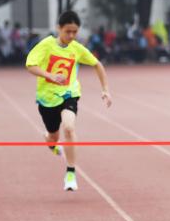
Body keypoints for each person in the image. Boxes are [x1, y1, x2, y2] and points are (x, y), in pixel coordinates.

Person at [25, 10, 112, 191]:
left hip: (69, 94)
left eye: (75, 32)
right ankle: (50, 142)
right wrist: (50, 75)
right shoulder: (47, 45)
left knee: (69, 128)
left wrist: (105, 90)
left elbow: (97, 65)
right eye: (68, 31)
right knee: (53, 137)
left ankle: (70, 173)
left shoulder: (76, 48)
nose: (71, 36)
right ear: (59, 28)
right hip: (47, 98)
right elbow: (30, 65)